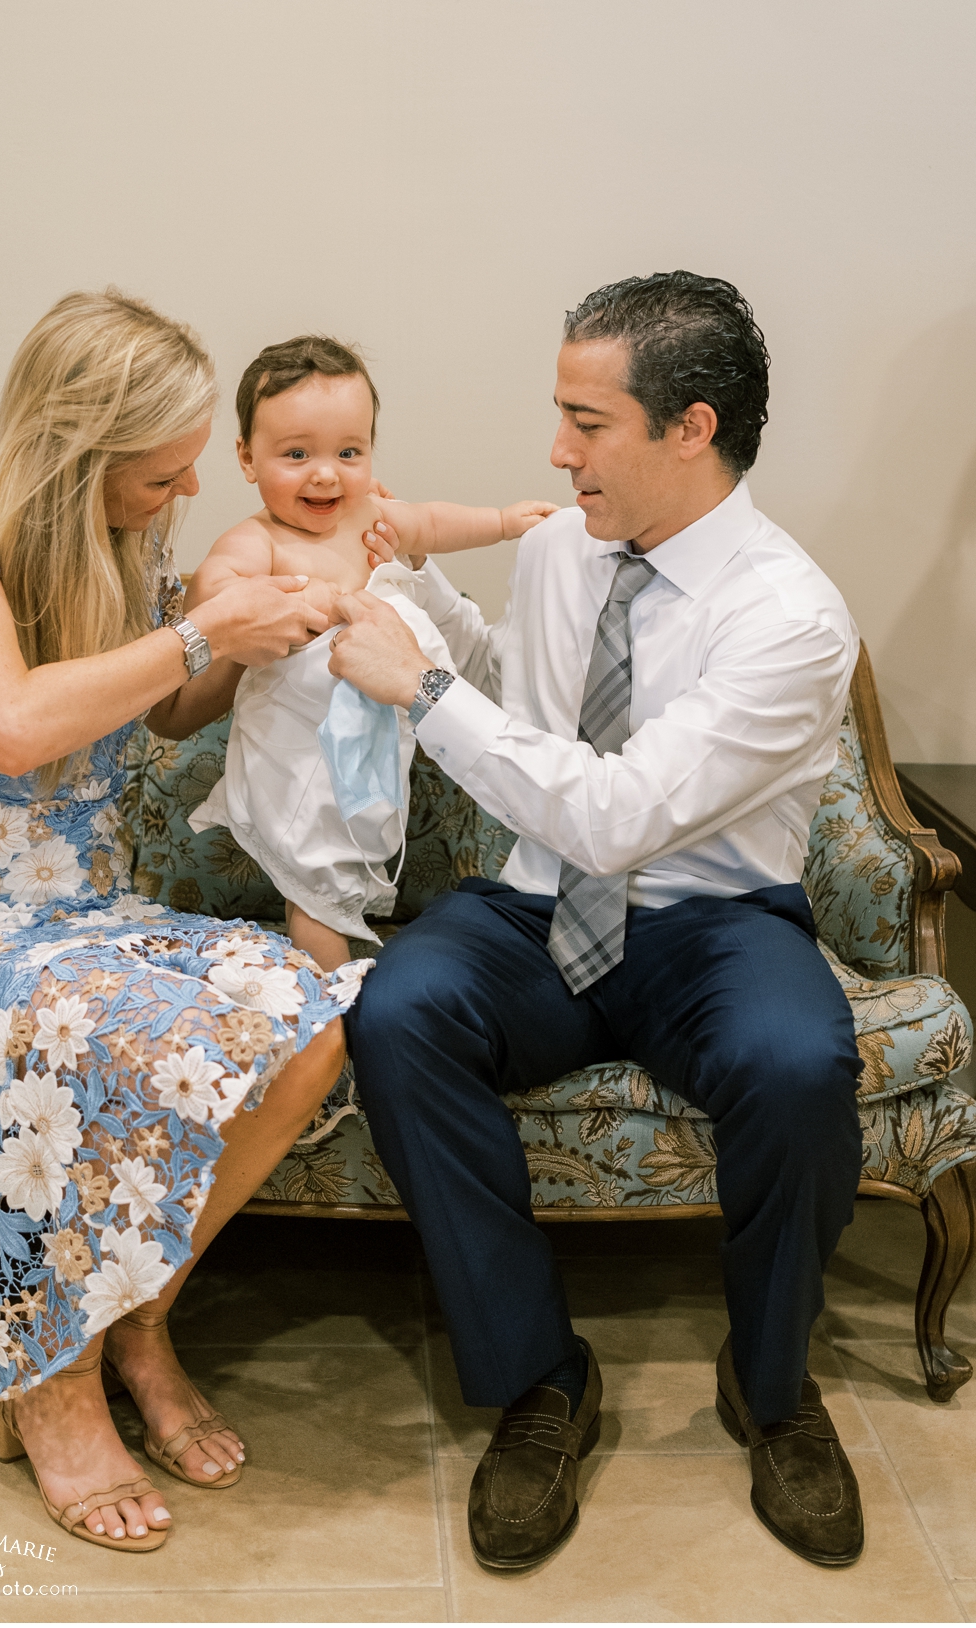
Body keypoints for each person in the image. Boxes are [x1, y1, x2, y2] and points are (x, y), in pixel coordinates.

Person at [327, 271, 869, 1572]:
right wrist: (422, 595)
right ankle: (541, 1379)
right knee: (396, 1011)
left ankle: (777, 1384)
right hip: (534, 910)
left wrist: (425, 692)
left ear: (690, 425)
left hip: (712, 922)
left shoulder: (789, 618)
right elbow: (538, 695)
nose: (557, 449)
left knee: (802, 1061)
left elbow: (621, 814)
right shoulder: (564, 546)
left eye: (587, 419)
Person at [0, 290, 359, 1551]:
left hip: (82, 914)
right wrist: (199, 628)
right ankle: (53, 1382)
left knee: (310, 1018)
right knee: (106, 1035)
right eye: (159, 476)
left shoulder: (121, 534)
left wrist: (256, 639)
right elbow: (7, 720)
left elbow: (164, 710)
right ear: (82, 451)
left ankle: (129, 1315)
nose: (179, 497)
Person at [185, 335, 557, 969]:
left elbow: (435, 522)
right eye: (297, 453)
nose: (327, 472)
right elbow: (216, 594)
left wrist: (502, 521)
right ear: (247, 458)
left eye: (349, 451)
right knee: (317, 882)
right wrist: (287, 597)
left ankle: (345, 960)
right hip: (297, 746)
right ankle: (332, 989)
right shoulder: (257, 540)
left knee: (356, 854)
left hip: (370, 738)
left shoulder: (370, 516)